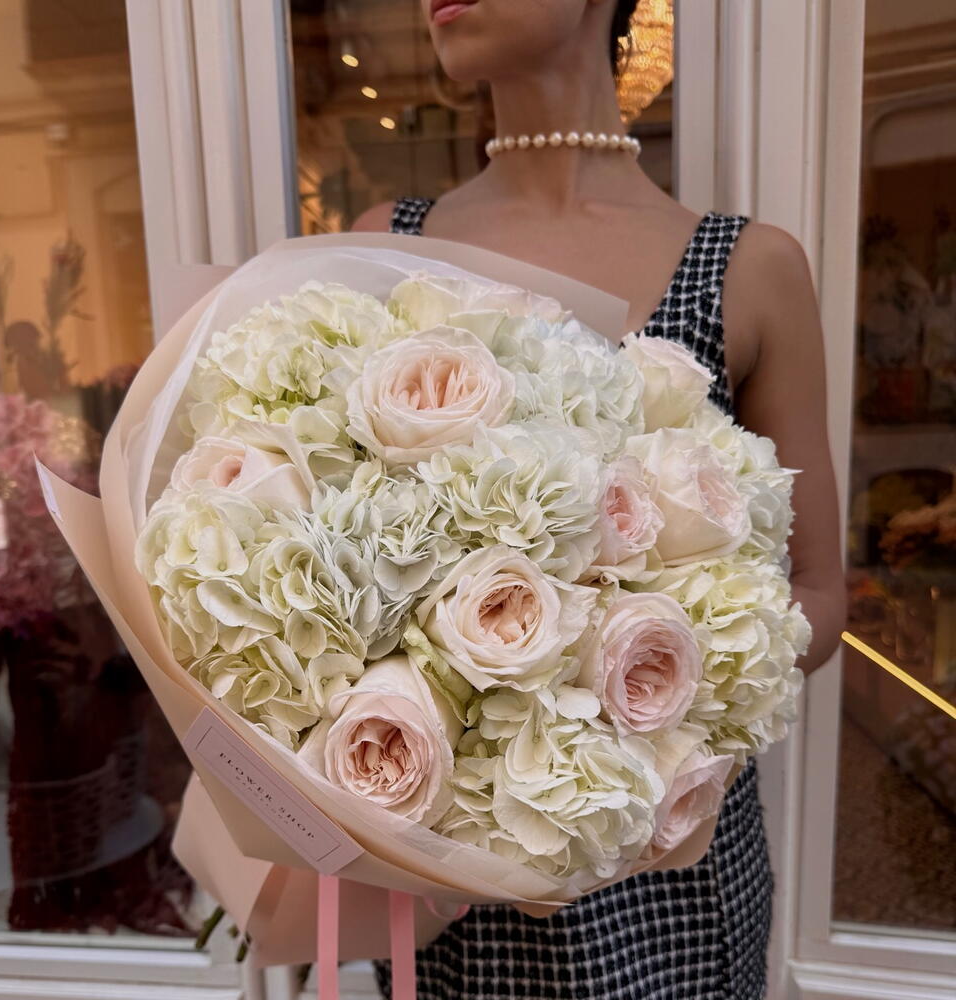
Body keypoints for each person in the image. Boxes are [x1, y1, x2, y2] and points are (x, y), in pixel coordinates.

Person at [354, 1, 846, 997]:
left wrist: (635, 681)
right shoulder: (384, 252)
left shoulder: (747, 269)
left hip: (671, 860)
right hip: (461, 874)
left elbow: (819, 588)